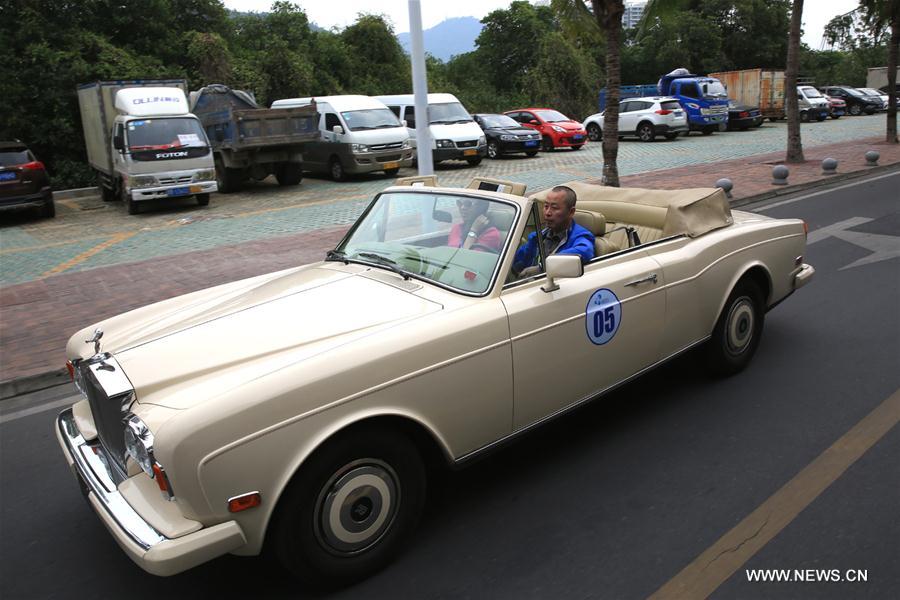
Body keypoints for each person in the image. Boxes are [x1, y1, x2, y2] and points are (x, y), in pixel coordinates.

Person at [513, 185, 594, 276]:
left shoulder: (580, 236)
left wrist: (542, 267)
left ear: (571, 212)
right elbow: (515, 262)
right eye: (546, 206)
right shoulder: (537, 237)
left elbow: (585, 251)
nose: (547, 213)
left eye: (554, 208)